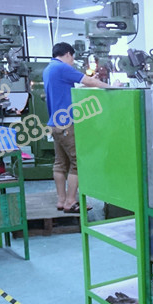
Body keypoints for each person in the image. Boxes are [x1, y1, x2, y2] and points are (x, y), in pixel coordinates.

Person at [43, 42, 111, 213]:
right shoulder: (62, 67)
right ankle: (71, 202)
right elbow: (88, 80)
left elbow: (70, 87)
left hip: (55, 123)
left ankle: (61, 200)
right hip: (67, 124)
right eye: (72, 58)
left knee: (60, 163)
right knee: (78, 163)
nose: (73, 62)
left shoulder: (48, 69)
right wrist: (112, 87)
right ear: (68, 54)